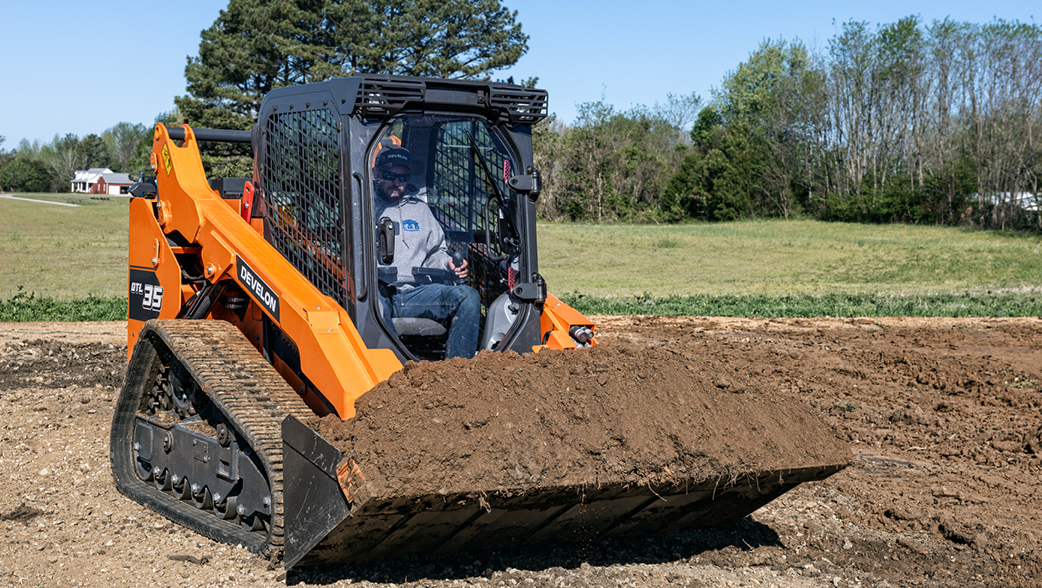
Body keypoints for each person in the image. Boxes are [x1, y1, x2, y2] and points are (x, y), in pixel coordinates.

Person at [373, 145, 481, 359]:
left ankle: (459, 371)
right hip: (377, 292)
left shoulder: (420, 210)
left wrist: (447, 264)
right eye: (390, 175)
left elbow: (435, 252)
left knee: (468, 296)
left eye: (403, 178)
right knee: (374, 304)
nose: (396, 182)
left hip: (414, 294)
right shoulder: (363, 206)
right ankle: (395, 368)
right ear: (376, 174)